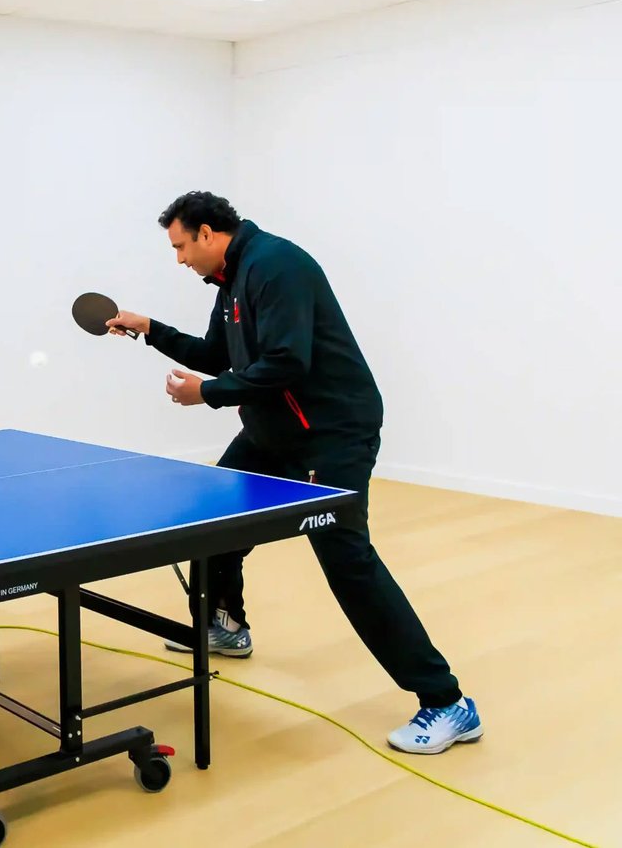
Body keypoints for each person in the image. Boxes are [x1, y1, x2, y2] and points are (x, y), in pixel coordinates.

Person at [105, 191, 481, 755]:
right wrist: (150, 328)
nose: (179, 259)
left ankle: (447, 702)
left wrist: (207, 394)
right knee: (212, 518)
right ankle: (227, 624)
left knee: (348, 563)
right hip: (272, 431)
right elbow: (215, 354)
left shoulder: (277, 265)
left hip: (329, 435)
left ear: (207, 233)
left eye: (181, 246)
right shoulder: (231, 278)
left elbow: (285, 363)